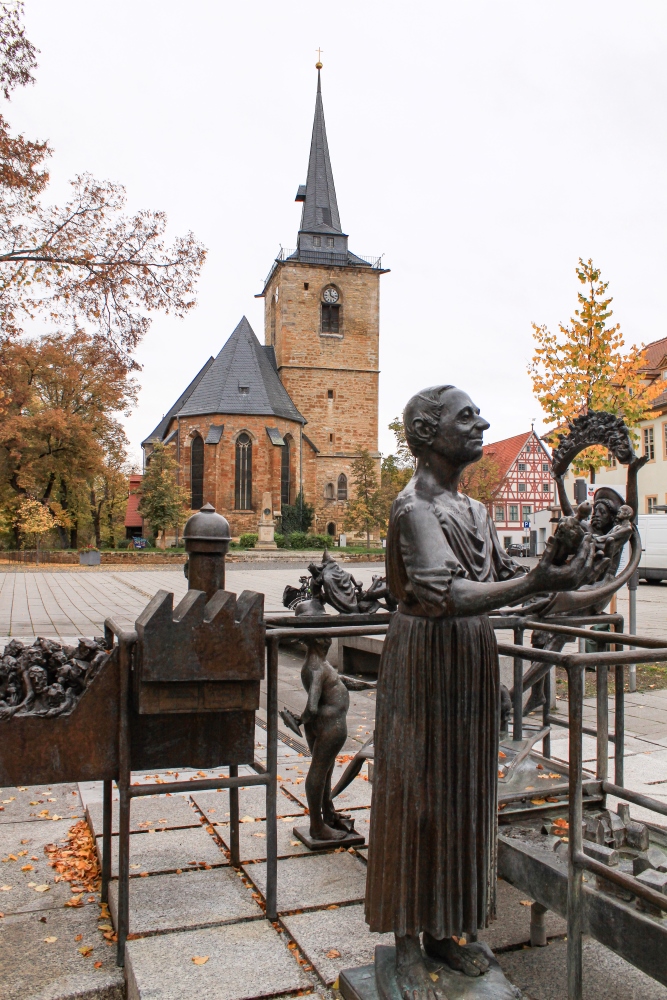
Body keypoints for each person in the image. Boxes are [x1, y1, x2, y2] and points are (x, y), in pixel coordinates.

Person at [364, 385, 598, 1000]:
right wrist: (531, 581)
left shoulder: (473, 511)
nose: (482, 424)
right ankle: (407, 942)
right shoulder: (413, 508)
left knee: (461, 794)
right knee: (415, 795)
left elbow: (508, 586)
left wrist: (571, 571)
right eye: (466, 417)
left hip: (467, 661)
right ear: (425, 431)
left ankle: (445, 930)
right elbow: (446, 595)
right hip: (424, 662)